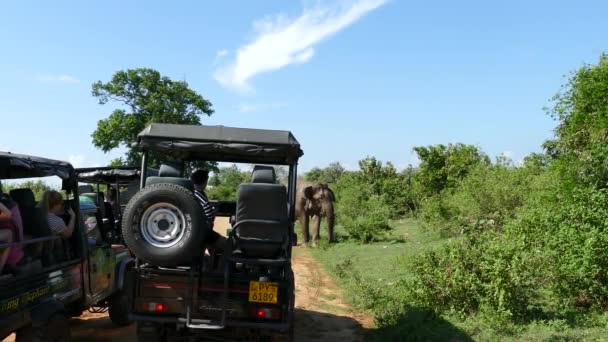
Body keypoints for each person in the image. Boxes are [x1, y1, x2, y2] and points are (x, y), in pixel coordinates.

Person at [190, 169, 226, 251]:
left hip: (187, 233)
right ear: (205, 181)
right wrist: (214, 210)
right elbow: (209, 216)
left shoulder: (187, 193)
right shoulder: (200, 196)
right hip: (201, 232)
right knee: (228, 244)